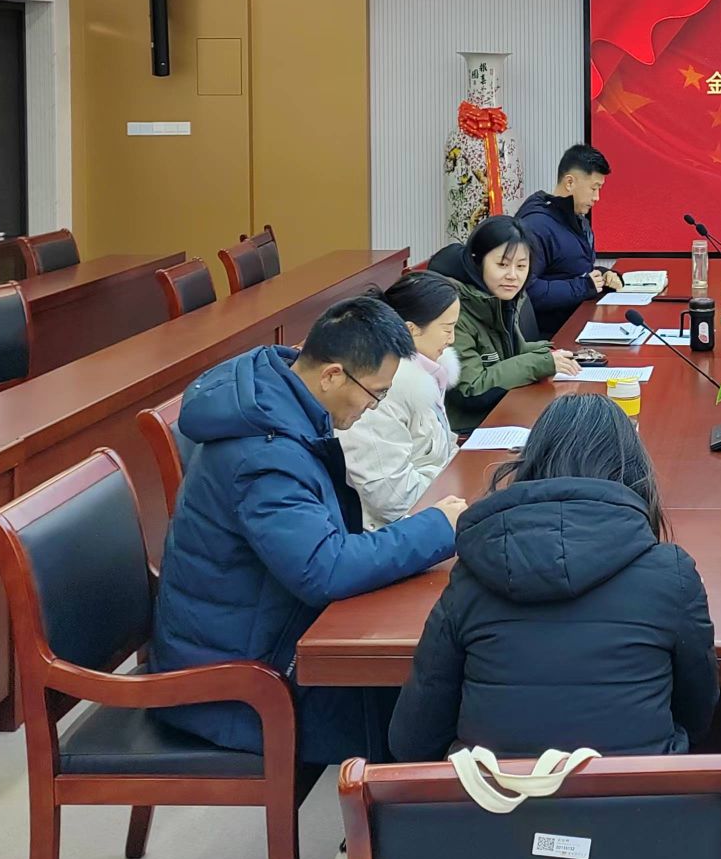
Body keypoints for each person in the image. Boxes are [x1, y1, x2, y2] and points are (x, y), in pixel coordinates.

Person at [151, 297, 468, 763]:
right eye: (375, 394)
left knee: (434, 688)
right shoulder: (264, 455)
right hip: (239, 684)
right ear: (333, 375)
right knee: (429, 710)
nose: (374, 407)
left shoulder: (279, 403)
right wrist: (437, 528)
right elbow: (325, 570)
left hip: (265, 634)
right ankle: (392, 807)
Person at [388, 392, 719, 760]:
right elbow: (697, 717)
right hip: (641, 796)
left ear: (530, 464)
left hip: (492, 797)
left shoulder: (472, 576)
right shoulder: (671, 575)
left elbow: (413, 740)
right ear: (632, 472)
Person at [426, 216, 582, 433]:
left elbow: (509, 352)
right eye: (502, 265)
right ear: (477, 261)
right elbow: (471, 389)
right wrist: (542, 362)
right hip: (470, 429)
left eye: (521, 266)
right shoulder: (454, 308)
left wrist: (552, 353)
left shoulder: (499, 297)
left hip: (502, 412)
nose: (513, 276)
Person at [340, 274, 464, 528]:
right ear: (411, 330)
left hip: (434, 505)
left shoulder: (427, 374)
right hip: (394, 528)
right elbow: (390, 496)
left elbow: (440, 449)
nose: (452, 339)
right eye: (447, 328)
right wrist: (455, 484)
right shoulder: (380, 390)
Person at [518, 144, 624, 338]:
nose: (597, 197)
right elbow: (526, 291)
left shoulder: (575, 217)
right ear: (569, 182)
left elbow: (569, 269)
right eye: (594, 188)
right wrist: (584, 287)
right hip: (554, 337)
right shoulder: (536, 226)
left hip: (579, 323)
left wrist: (602, 275)